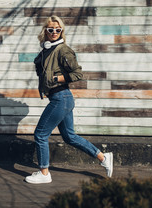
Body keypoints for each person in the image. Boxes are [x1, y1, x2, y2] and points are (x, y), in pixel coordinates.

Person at [25, 16, 113, 184]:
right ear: (45, 31)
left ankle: (44, 173)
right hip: (62, 98)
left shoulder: (63, 50)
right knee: (69, 136)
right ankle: (103, 157)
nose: (54, 33)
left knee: (40, 134)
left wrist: (56, 79)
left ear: (62, 32)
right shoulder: (46, 50)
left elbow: (77, 73)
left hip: (61, 97)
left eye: (58, 30)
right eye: (51, 30)